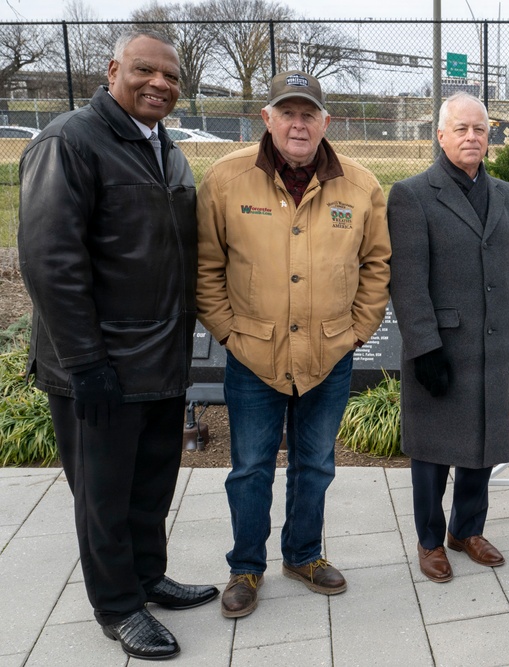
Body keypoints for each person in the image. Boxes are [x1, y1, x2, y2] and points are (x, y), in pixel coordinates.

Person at [17, 29, 218, 661]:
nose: (161, 83)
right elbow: (51, 262)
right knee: (103, 493)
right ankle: (117, 605)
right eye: (145, 71)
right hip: (99, 364)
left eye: (172, 76)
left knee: (151, 483)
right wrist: (85, 363)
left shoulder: (166, 150)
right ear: (112, 70)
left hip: (160, 357)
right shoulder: (70, 142)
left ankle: (148, 576)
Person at [196, 70, 391, 615]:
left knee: (316, 464)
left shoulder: (360, 186)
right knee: (251, 467)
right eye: (288, 113)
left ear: (327, 122)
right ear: (267, 119)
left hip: (329, 354)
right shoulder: (226, 180)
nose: (298, 124)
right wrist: (228, 332)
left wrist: (357, 330)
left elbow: (376, 265)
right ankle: (245, 567)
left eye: (309, 114)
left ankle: (303, 554)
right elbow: (206, 265)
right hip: (252, 355)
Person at [386, 92, 509, 583]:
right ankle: (430, 540)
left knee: (483, 444)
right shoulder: (411, 195)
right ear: (440, 135)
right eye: (461, 129)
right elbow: (407, 281)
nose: (472, 137)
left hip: (492, 343)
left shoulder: (503, 193)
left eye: (480, 129)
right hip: (441, 348)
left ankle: (466, 530)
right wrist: (424, 346)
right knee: (432, 453)